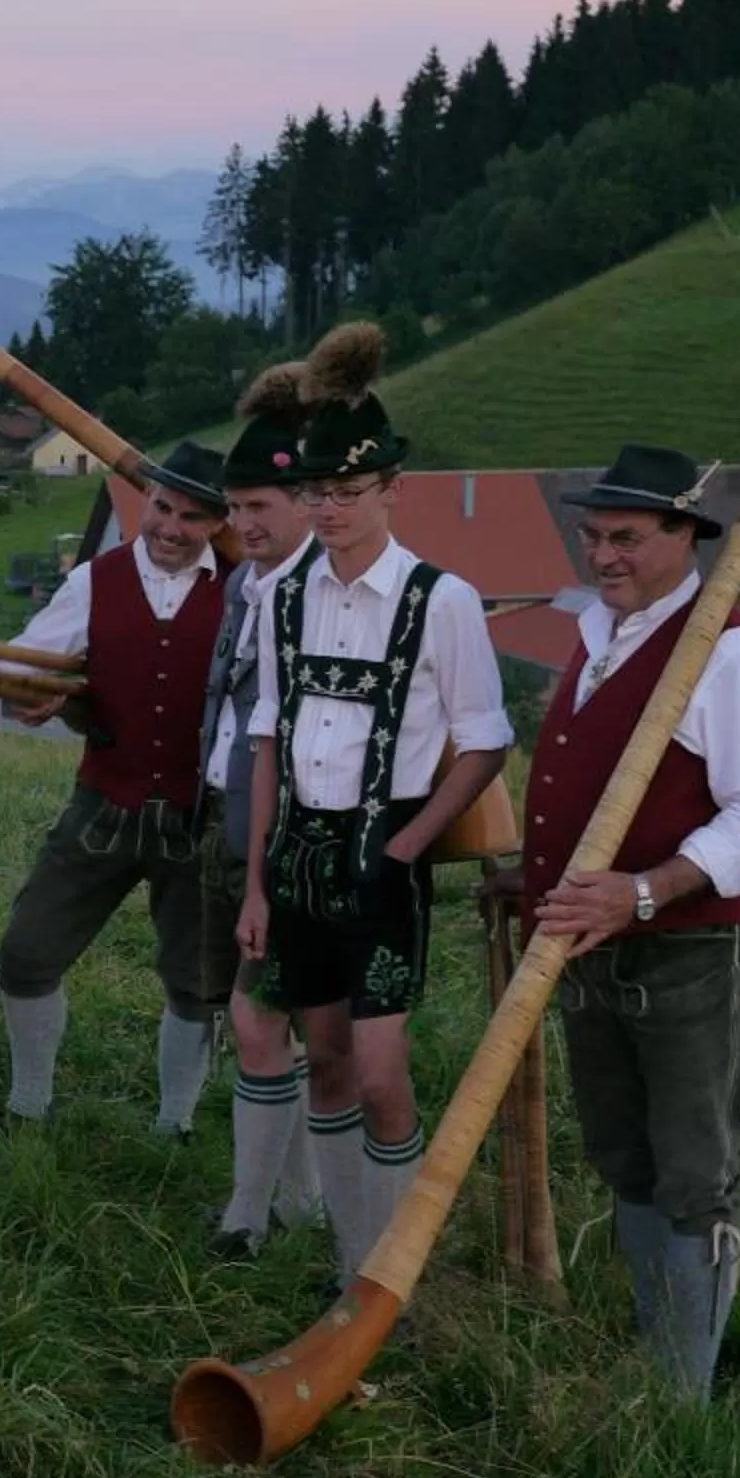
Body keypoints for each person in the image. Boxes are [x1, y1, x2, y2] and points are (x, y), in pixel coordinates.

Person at [510, 443, 740, 1398]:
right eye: (593, 537)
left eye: (628, 538)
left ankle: (683, 1399)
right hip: (588, 943)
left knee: (690, 1169)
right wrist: (533, 879)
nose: (605, 556)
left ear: (686, 535)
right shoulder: (601, 633)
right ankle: (654, 1347)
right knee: (623, 1154)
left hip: (688, 949)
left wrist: (641, 891)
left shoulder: (735, 653)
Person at [237, 322, 512, 1289]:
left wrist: (409, 847)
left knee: (384, 1073)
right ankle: (352, 1260)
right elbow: (268, 733)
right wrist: (259, 880)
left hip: (383, 861)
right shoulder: (280, 597)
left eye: (350, 492)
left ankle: (396, 1269)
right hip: (300, 859)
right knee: (325, 1064)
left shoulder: (443, 601)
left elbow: (484, 741)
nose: (329, 510)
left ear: (392, 488)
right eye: (316, 492)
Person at [0, 440, 230, 1134]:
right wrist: (26, 695)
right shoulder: (97, 579)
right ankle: (29, 1103)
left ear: (217, 524)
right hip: (104, 804)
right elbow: (27, 666)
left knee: (196, 981)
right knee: (27, 952)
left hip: (199, 817)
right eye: (161, 506)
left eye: (191, 516)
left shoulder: (247, 592)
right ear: (144, 501)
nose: (170, 527)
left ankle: (174, 1123)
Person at [198, 383, 328, 1256]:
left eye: (261, 505)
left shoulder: (319, 592)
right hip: (232, 828)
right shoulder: (247, 582)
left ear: (307, 503)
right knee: (272, 1023)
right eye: (236, 505)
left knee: (265, 1022)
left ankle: (254, 1211)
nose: (245, 521)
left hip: (295, 847)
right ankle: (299, 1200)